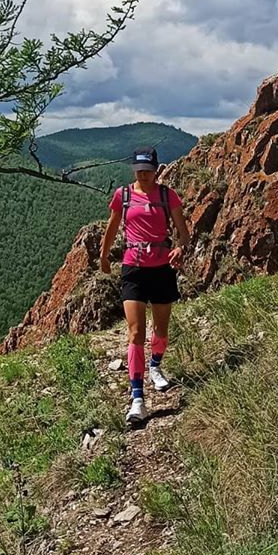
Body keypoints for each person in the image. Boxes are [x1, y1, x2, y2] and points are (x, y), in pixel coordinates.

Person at [99, 147, 190, 427]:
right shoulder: (122, 196)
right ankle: (137, 398)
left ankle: (155, 365)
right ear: (133, 169)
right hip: (133, 268)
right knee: (136, 332)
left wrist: (180, 249)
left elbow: (183, 232)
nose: (143, 174)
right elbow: (112, 228)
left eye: (148, 169)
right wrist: (103, 256)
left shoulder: (167, 195)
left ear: (156, 168)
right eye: (139, 169)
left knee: (160, 329)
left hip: (162, 267)